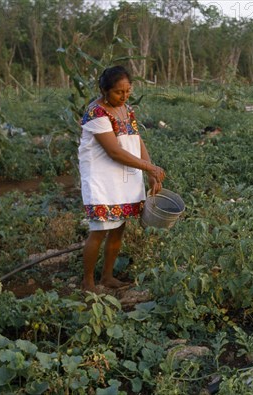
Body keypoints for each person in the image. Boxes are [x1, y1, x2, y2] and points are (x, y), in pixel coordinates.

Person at [78, 65, 165, 292]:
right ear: (104, 90)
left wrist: (150, 172)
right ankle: (88, 283)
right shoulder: (96, 113)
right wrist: (149, 167)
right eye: (119, 92)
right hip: (102, 180)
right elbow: (114, 151)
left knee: (119, 229)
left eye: (128, 91)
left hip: (125, 177)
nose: (124, 96)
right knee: (99, 231)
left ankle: (107, 277)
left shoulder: (127, 110)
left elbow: (137, 141)